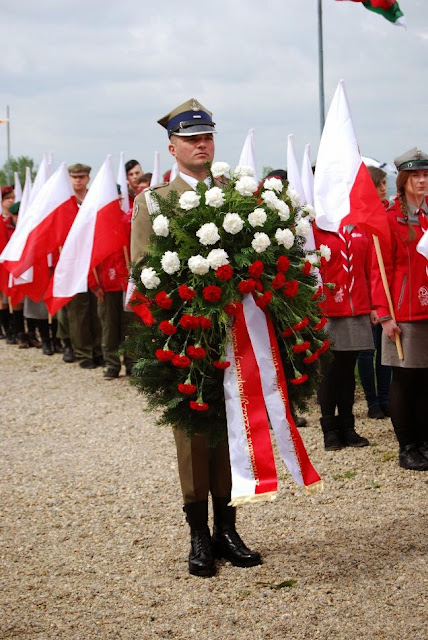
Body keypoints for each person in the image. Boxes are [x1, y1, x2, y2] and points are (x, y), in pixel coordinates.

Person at [131, 98, 262, 577]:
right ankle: (198, 534)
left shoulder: (235, 197)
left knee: (232, 431)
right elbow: (143, 269)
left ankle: (229, 527)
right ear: (172, 148)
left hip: (235, 335)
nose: (201, 145)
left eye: (207, 137)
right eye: (191, 139)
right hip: (185, 337)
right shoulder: (155, 202)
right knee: (192, 436)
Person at [371, 148, 428, 471]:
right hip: (403, 310)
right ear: (403, 180)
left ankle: (424, 441)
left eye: (426, 175)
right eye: (416, 176)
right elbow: (380, 269)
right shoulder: (390, 217)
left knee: (426, 380)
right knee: (405, 380)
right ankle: (407, 446)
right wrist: (384, 313)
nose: (422, 181)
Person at [314, 221, 372, 451]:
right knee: (329, 369)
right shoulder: (315, 228)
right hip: (326, 307)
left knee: (348, 369)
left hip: (356, 306)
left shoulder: (359, 226)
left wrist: (375, 304)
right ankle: (329, 429)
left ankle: (348, 426)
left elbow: (370, 267)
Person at [357, 166, 392, 419]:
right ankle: (372, 401)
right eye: (379, 184)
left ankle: (386, 398)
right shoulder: (360, 218)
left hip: (387, 295)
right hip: (367, 297)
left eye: (385, 183)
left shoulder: (388, 213)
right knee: (367, 351)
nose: (384, 188)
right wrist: (370, 303)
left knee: (386, 350)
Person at [65, 163, 103, 369]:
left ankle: (99, 350)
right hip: (74, 261)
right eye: (74, 177)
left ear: (88, 178)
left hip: (94, 259)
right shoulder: (66, 202)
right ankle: (83, 352)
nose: (78, 180)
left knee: (97, 308)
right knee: (79, 310)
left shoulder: (94, 199)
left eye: (81, 177)